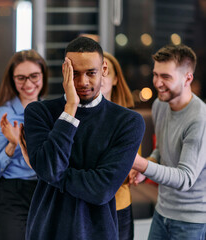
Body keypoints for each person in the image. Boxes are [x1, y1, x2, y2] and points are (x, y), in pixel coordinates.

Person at [23, 36, 145, 240]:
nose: (82, 82)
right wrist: (70, 109)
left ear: (104, 69)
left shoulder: (128, 122)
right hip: (47, 230)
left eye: (91, 73)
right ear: (65, 71)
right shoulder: (38, 112)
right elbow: (51, 168)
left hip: (98, 233)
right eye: (75, 74)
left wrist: (52, 174)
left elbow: (101, 190)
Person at [131, 44, 206, 239]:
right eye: (156, 74)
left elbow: (185, 178)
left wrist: (141, 164)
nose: (157, 83)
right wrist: (147, 167)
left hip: (191, 221)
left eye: (166, 77)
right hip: (162, 211)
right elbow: (160, 150)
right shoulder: (160, 105)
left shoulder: (199, 119)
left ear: (188, 78)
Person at [0, 49, 48, 240]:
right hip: (11, 194)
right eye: (20, 78)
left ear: (43, 76)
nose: (28, 84)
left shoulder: (51, 112)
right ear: (12, 80)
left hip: (44, 192)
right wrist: (12, 144)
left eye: (34, 76)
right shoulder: (1, 115)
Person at [101, 51, 135, 240]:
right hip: (87, 204)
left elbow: (129, 167)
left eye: (107, 71)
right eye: (97, 71)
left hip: (119, 204)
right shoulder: (76, 114)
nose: (102, 76)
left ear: (115, 79)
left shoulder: (129, 120)